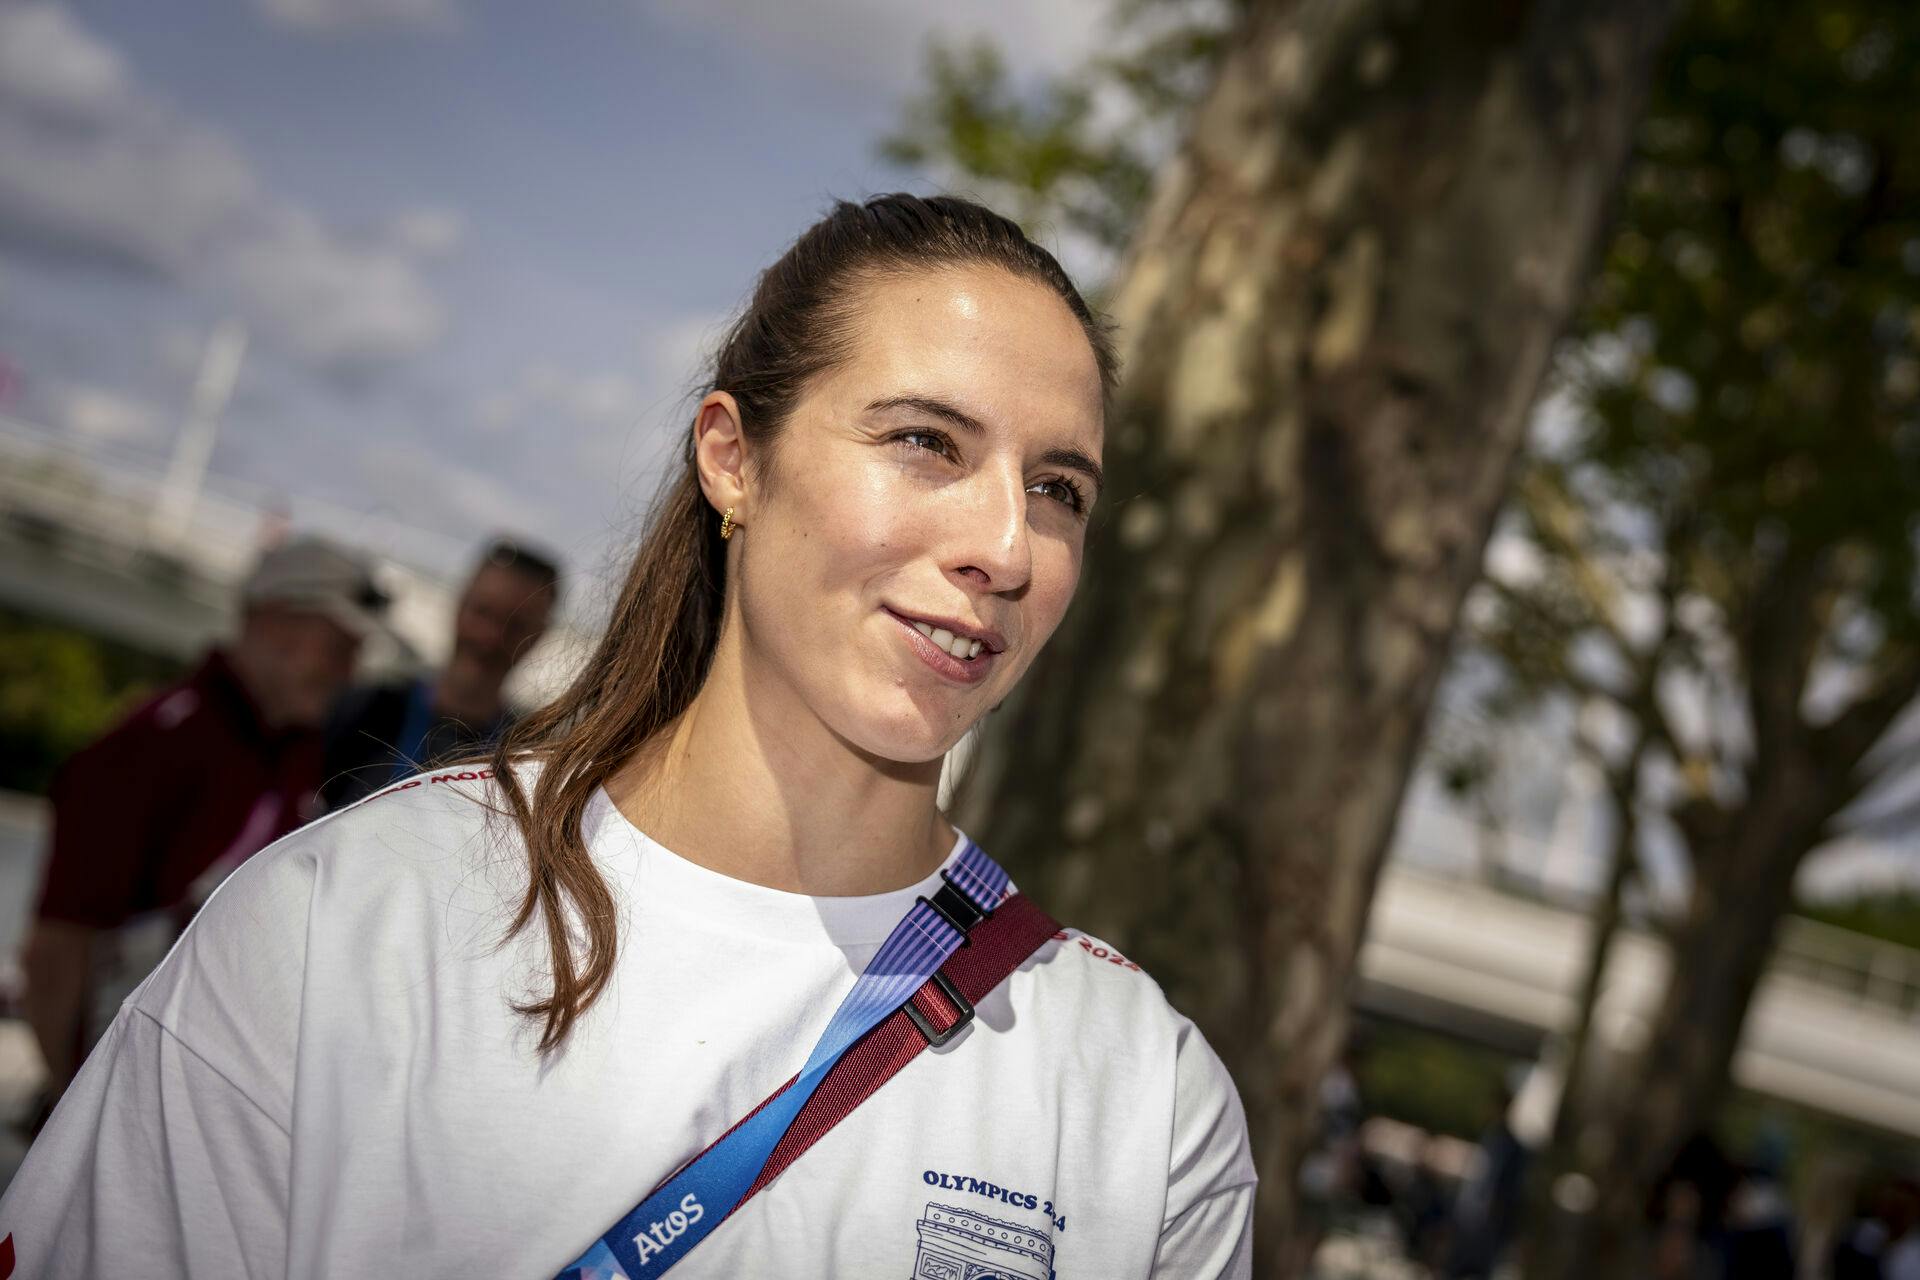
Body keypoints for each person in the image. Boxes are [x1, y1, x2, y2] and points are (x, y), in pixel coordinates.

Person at [0, 194, 1256, 1277]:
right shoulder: (341, 925)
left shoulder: (1146, 1105)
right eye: (926, 440)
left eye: (1059, 489)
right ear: (733, 460)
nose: (1005, 543)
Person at [17, 535, 386, 1111]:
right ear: (274, 622)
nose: (349, 670)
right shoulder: (153, 745)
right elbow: (55, 949)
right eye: (339, 645)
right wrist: (77, 1103)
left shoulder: (291, 749)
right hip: (116, 1099)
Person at [320, 536, 560, 809]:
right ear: (459, 604)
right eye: (482, 612)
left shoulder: (526, 760)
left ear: (539, 637)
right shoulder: (365, 711)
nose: (490, 637)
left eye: (515, 625)